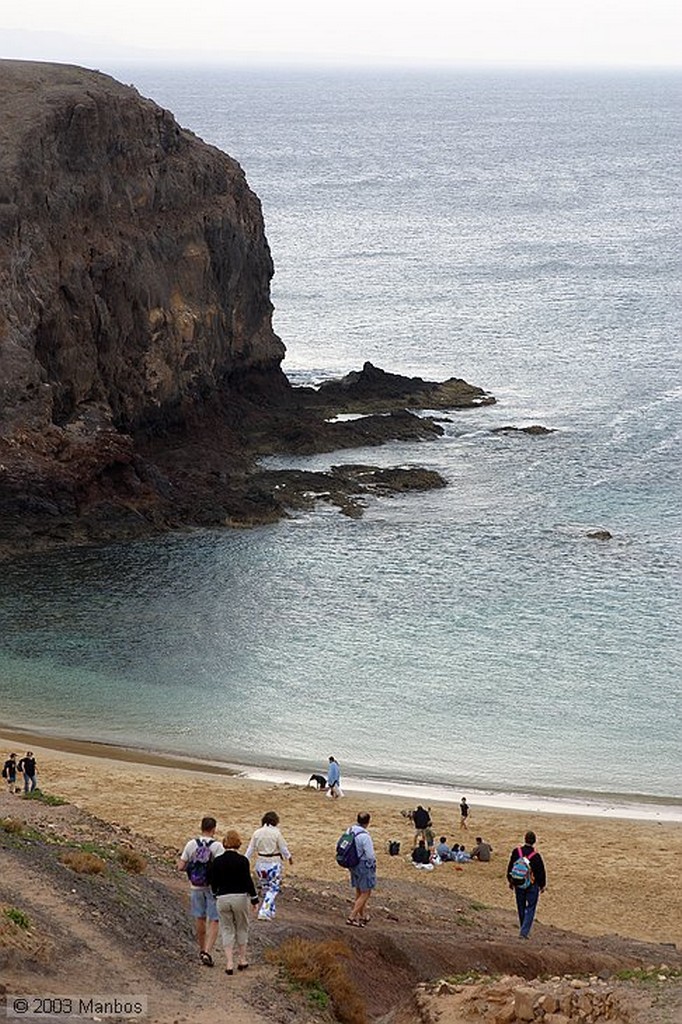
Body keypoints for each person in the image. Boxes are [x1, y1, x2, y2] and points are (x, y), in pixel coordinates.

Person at [207, 830, 259, 975]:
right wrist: (254, 899)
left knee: (227, 929)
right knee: (242, 927)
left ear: (224, 843)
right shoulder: (243, 861)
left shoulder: (217, 861)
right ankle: (242, 959)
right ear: (238, 843)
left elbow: (212, 881)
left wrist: (215, 893)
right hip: (240, 898)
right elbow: (248, 881)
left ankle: (229, 962)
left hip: (222, 898)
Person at [177, 815, 225, 967]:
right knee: (214, 920)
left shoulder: (191, 844)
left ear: (201, 827)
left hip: (196, 886)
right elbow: (222, 867)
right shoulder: (217, 847)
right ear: (213, 829)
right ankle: (208, 951)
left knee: (200, 918)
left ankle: (201, 948)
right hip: (212, 888)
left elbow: (180, 866)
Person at [245, 811, 293, 920]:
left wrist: (245, 860)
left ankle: (271, 911)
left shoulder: (257, 833)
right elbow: (283, 848)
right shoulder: (276, 833)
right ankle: (264, 911)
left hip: (260, 864)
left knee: (266, 888)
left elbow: (250, 849)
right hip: (273, 863)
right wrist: (289, 857)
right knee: (273, 889)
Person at [506, 830, 547, 939]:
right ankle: (524, 932)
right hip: (532, 885)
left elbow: (510, 866)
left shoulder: (516, 851)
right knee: (531, 907)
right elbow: (541, 872)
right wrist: (542, 885)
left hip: (518, 883)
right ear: (534, 841)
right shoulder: (536, 856)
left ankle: (523, 928)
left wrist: (510, 880)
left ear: (525, 839)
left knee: (521, 906)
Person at [346, 811, 376, 926]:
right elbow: (370, 855)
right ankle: (352, 917)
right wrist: (373, 864)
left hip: (352, 863)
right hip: (363, 865)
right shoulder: (365, 836)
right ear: (368, 822)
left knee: (359, 890)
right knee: (366, 892)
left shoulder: (350, 830)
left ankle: (362, 916)